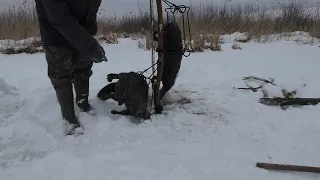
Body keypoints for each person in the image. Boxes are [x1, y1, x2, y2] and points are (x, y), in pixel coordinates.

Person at [34, 0, 108, 135]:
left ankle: (82, 102)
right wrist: (90, 45)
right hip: (55, 37)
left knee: (83, 68)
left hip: (82, 34)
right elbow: (60, 17)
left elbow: (91, 8)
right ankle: (69, 118)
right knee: (61, 75)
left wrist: (90, 31)